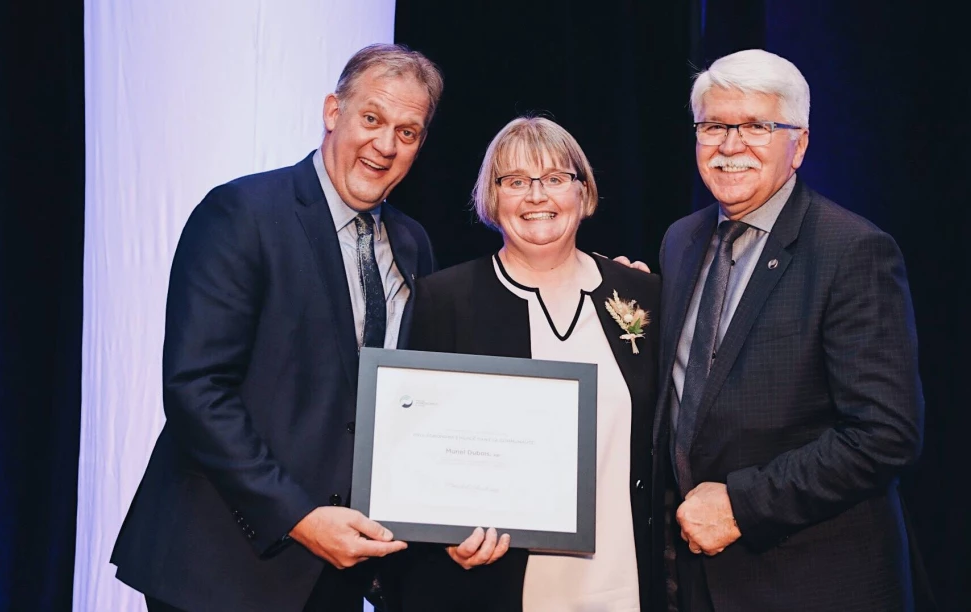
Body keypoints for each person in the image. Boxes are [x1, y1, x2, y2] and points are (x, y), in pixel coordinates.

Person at [111, 44, 442, 611]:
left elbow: (406, 401)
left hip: (337, 575)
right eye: (372, 119)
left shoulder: (413, 246)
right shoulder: (242, 213)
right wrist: (300, 517)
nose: (385, 146)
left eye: (407, 133)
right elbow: (196, 390)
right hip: (221, 567)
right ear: (332, 111)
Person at [655, 49, 924, 611]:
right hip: (692, 582)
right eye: (714, 126)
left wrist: (742, 505)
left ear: (798, 145)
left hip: (809, 581)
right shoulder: (680, 241)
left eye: (756, 125)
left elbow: (884, 434)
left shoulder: (852, 251)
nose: (731, 146)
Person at [391, 116, 662, 611]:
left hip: (622, 580)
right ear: (493, 199)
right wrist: (446, 532)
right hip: (495, 582)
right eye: (515, 182)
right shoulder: (446, 299)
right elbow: (411, 448)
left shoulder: (642, 294)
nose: (537, 196)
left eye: (555, 179)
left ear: (583, 192)